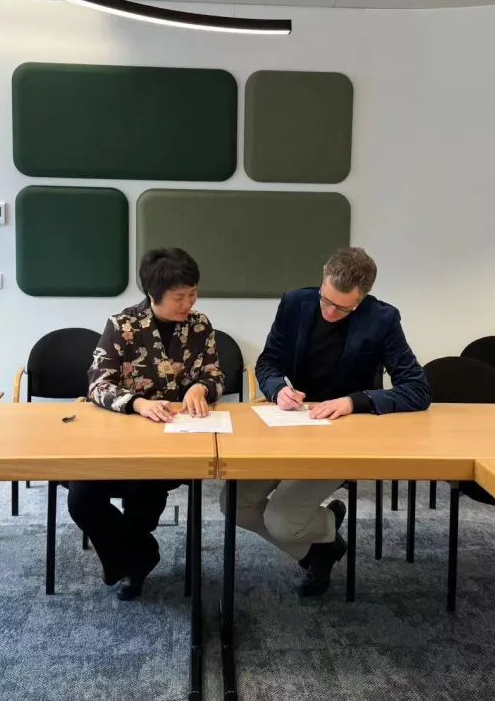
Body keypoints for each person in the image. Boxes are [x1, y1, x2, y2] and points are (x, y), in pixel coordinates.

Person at [225, 247, 431, 596]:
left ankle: (324, 524)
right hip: (291, 425)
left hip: (344, 437)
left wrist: (354, 401)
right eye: (326, 300)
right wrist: (278, 390)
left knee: (282, 520)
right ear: (323, 278)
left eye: (343, 308)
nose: (331, 312)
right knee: (234, 506)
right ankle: (322, 547)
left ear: (362, 298)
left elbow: (418, 390)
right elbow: (268, 363)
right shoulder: (295, 303)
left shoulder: (382, 319)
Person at [71, 248, 225, 599]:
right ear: (153, 295)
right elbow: (98, 384)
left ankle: (130, 564)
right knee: (81, 499)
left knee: (143, 493)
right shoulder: (122, 325)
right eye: (179, 297)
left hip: (175, 439)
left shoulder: (199, 326)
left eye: (192, 294)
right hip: (119, 438)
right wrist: (138, 403)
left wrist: (201, 387)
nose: (189, 303)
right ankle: (140, 555)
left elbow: (215, 374)